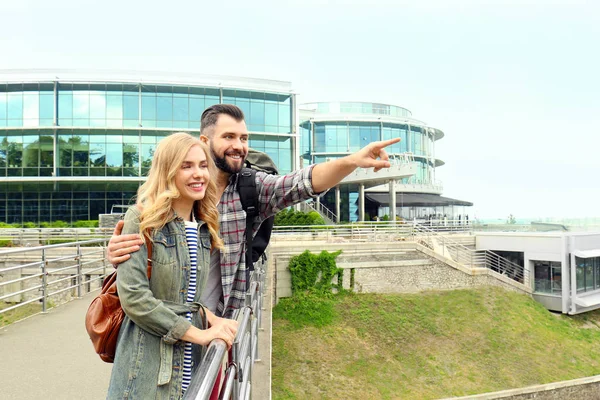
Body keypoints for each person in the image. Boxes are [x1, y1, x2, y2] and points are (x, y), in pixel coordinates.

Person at [107, 104, 400, 318]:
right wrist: (120, 253)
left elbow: (302, 182)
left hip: (217, 329)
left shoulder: (251, 189)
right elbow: (141, 259)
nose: (239, 146)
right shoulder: (174, 193)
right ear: (205, 142)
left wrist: (352, 161)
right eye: (229, 137)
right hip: (163, 328)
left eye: (244, 138)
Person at [106, 132, 238, 399]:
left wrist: (210, 318)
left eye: (203, 165)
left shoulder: (203, 225)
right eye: (186, 166)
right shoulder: (143, 218)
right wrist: (201, 335)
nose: (198, 174)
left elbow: (183, 294)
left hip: (191, 362)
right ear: (167, 171)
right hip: (150, 364)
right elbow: (134, 298)